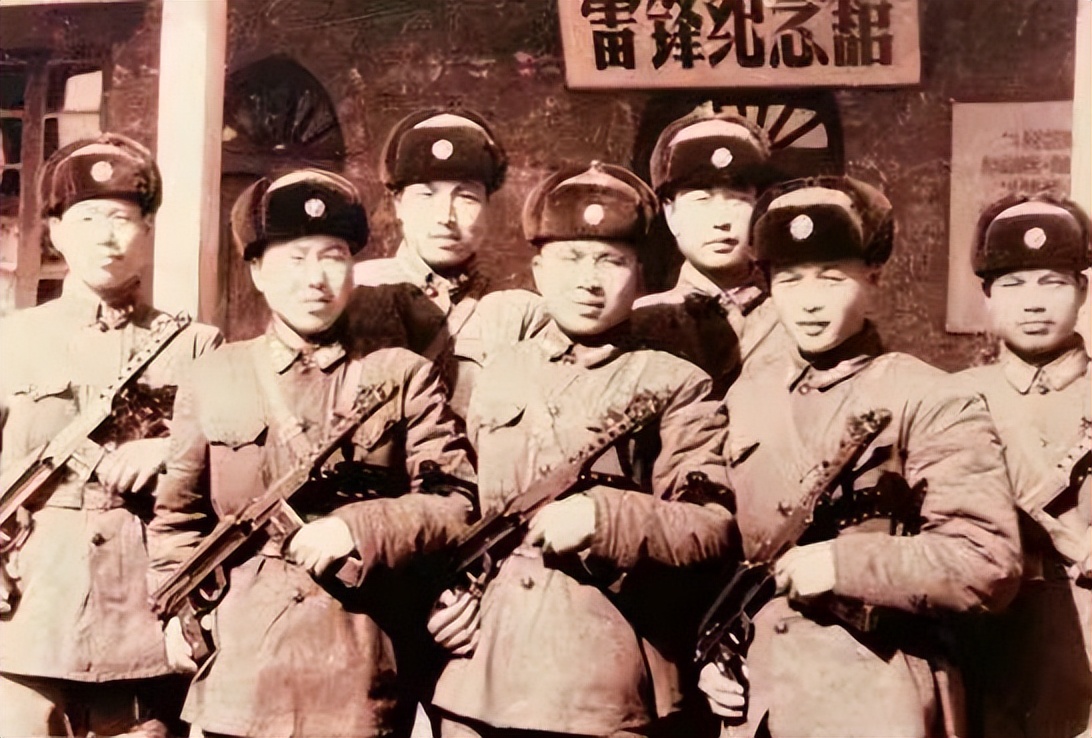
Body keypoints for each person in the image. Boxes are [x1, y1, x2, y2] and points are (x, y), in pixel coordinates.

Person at [147, 168, 477, 738]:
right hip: (241, 682)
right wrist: (176, 615)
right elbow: (178, 518)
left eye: (333, 257)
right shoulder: (213, 377)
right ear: (257, 270)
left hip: (359, 679)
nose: (316, 278)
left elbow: (455, 503)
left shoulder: (401, 375)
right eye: (295, 258)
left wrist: (359, 528)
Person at [697, 176, 1023, 738]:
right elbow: (729, 548)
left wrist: (843, 565)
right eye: (790, 280)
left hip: (876, 699)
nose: (810, 300)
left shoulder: (929, 398)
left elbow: (986, 561)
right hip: (760, 703)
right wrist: (713, 657)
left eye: (831, 277)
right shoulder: (747, 397)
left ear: (873, 278)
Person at [431, 161, 737, 738]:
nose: (588, 281)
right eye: (571, 259)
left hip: (601, 680)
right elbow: (454, 500)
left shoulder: (678, 384)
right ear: (539, 270)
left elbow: (709, 528)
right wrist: (441, 600)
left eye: (610, 261)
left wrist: (605, 517)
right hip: (480, 677)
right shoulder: (497, 373)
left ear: (639, 275)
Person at [0, 133, 223, 737]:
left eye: (122, 220)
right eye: (88, 218)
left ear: (148, 231)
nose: (106, 236)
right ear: (56, 232)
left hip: (144, 620)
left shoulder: (197, 346)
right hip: (30, 617)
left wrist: (168, 450)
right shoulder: (14, 341)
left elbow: (232, 471)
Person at [957, 193, 1092, 738]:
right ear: (988, 297)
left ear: (1082, 290)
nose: (1033, 303)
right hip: (983, 653)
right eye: (1012, 285)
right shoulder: (949, 400)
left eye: (1052, 282)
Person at [352, 108, 545, 417]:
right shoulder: (354, 290)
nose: (445, 217)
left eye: (466, 197)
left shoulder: (520, 314)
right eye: (426, 195)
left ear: (488, 207)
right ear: (398, 204)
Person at [632, 102, 792, 395]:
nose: (721, 221)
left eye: (737, 199)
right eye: (701, 200)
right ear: (671, 214)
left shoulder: (795, 316)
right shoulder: (639, 323)